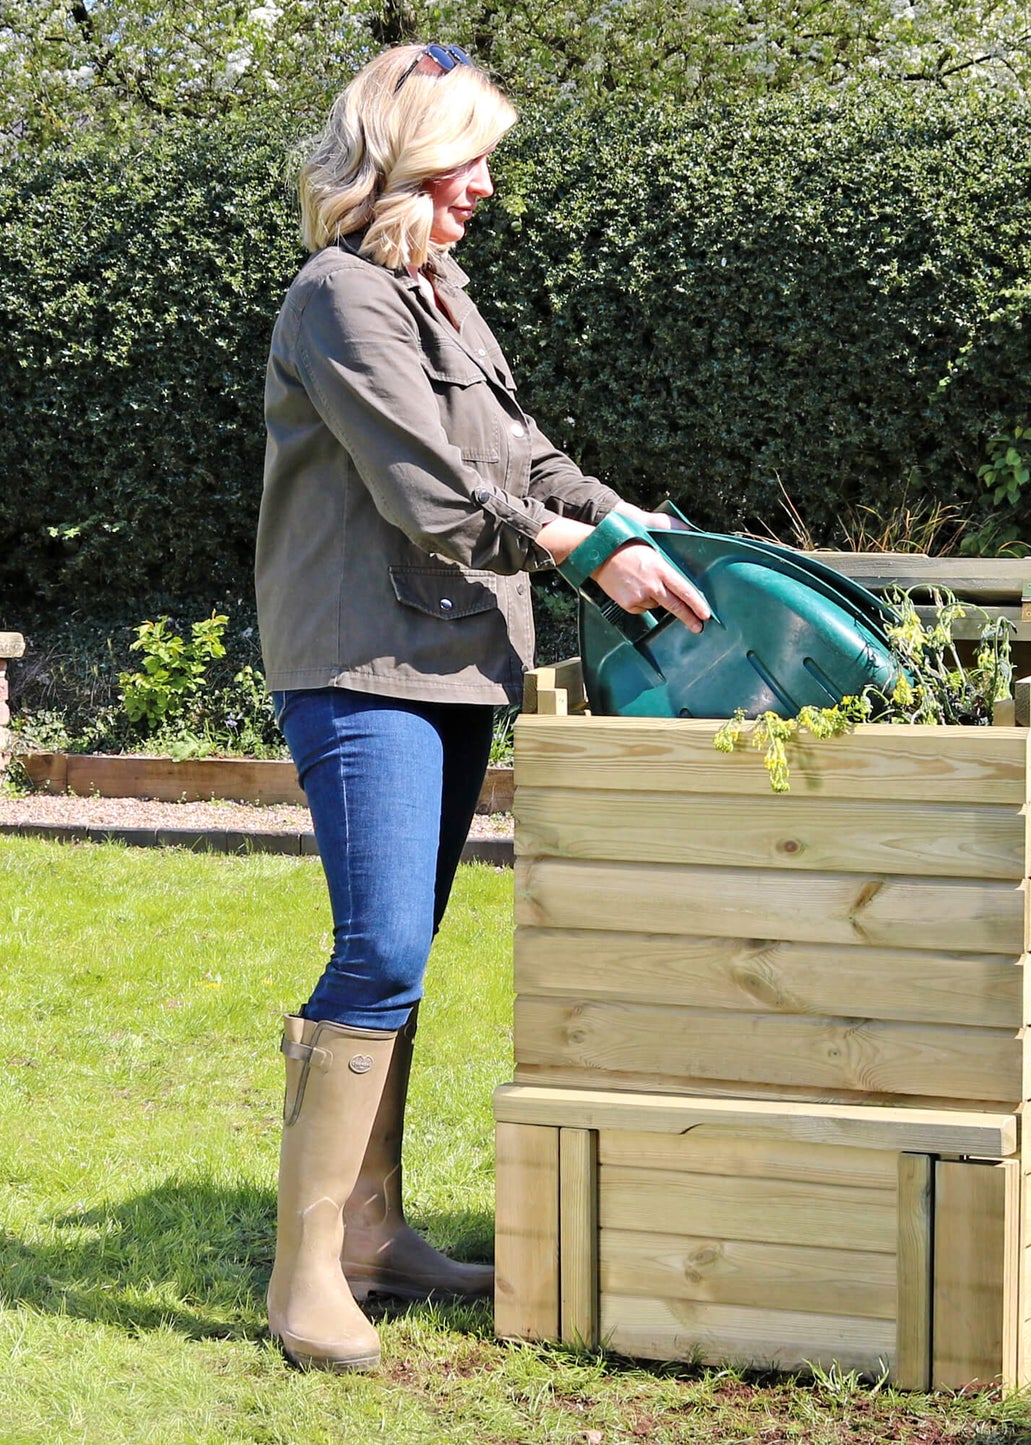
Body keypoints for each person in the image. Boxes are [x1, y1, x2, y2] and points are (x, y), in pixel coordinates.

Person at [254, 42, 709, 1374]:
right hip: (362, 662)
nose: (487, 187)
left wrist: (621, 515)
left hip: (453, 659)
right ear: (403, 157)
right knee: (380, 947)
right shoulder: (339, 297)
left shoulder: (433, 291)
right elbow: (433, 493)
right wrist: (584, 555)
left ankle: (372, 1234)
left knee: (403, 949)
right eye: (469, 159)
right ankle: (304, 1274)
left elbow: (518, 454)